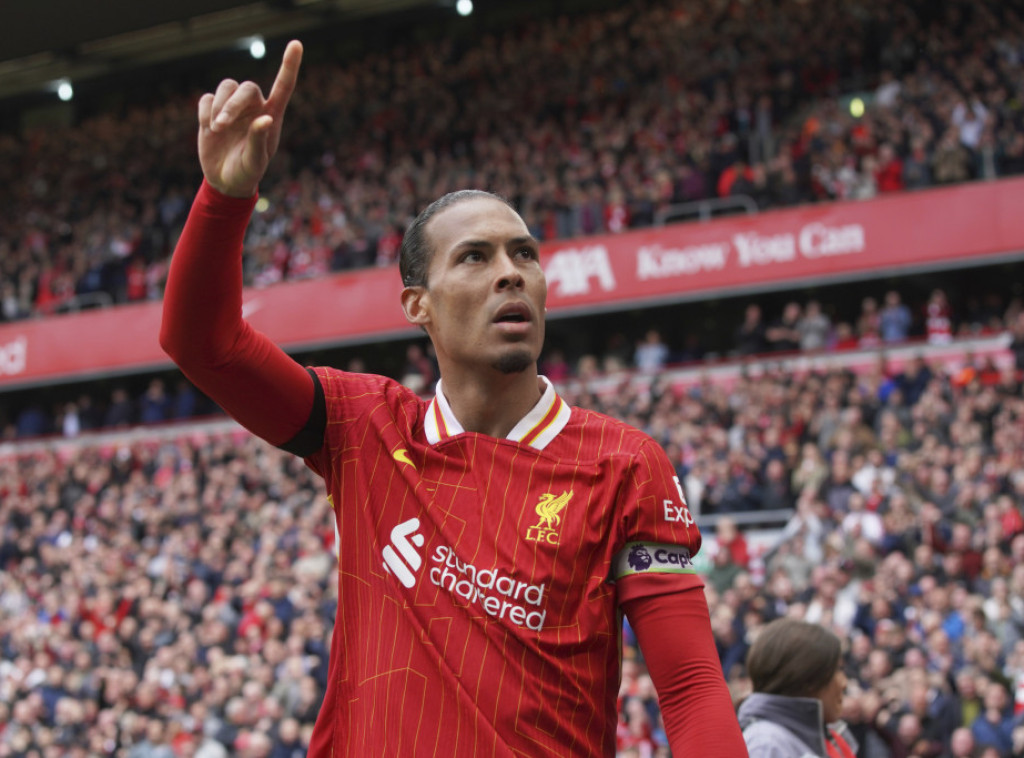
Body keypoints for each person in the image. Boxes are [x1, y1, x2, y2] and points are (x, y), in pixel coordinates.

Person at [159, 41, 746, 757]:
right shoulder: (363, 427)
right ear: (419, 305)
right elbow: (202, 344)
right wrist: (225, 197)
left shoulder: (624, 464)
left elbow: (689, 688)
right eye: (475, 257)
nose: (511, 273)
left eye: (524, 254)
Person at [737, 618, 857, 758]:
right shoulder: (767, 746)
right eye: (837, 669)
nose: (844, 683)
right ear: (807, 678)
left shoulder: (826, 737)